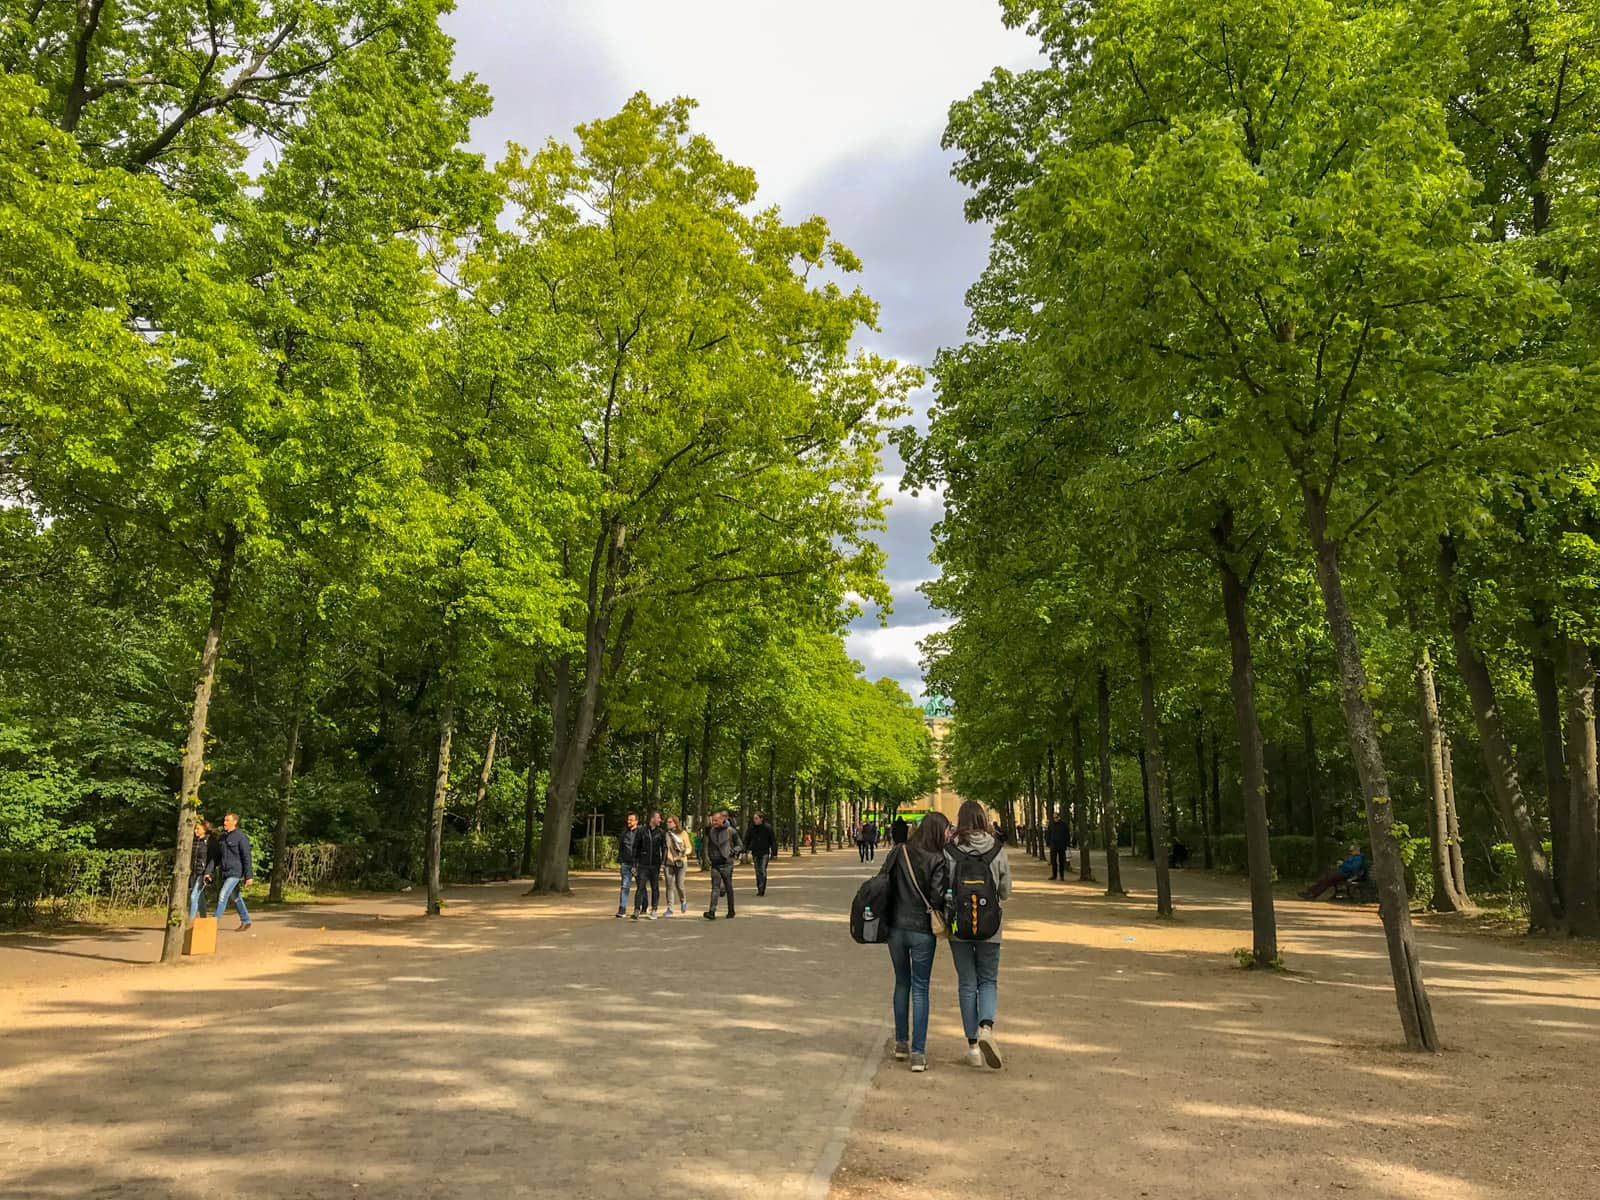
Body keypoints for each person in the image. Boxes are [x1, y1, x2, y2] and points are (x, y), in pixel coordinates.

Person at [882, 812, 950, 1073]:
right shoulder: (937, 859)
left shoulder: (899, 852)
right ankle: (918, 1053)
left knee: (901, 982)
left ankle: (901, 1043)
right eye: (945, 830)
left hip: (896, 928)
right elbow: (936, 898)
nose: (947, 835)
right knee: (920, 988)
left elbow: (883, 881)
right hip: (922, 930)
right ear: (936, 832)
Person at [946, 799, 1011, 1069]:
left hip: (958, 926)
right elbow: (1005, 891)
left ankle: (972, 1046)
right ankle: (986, 1026)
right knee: (988, 980)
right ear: (984, 819)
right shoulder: (997, 849)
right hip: (989, 925)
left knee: (966, 983)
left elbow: (944, 889)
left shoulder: (950, 850)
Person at [214, 812, 254, 931]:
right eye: (224, 820)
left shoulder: (241, 837)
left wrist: (249, 875)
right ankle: (246, 920)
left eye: (227, 820)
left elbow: (246, 857)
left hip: (236, 872)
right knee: (235, 897)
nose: (224, 823)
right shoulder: (222, 838)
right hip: (225, 872)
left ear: (234, 822)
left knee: (223, 895)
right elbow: (216, 857)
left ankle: (213, 922)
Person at [702, 810, 743, 919]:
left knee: (728, 887)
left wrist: (733, 851)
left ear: (722, 820)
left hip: (727, 863)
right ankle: (712, 912)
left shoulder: (731, 831)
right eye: (713, 820)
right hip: (715, 863)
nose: (714, 822)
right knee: (715, 887)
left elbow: (740, 845)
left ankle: (731, 911)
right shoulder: (711, 831)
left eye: (716, 820)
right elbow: (704, 830)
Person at [1300, 844, 1366, 900]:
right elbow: (1346, 866)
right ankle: (1310, 892)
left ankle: (1312, 894)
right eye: (1350, 851)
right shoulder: (1353, 857)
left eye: (1352, 851)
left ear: (1357, 850)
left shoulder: (1358, 858)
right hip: (1341, 872)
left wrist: (1343, 864)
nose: (1350, 852)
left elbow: (1353, 868)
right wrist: (1340, 865)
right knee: (1325, 878)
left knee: (1328, 880)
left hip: (1346, 875)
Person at [633, 812, 666, 920]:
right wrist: (634, 863)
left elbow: (664, 848)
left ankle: (654, 909)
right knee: (640, 887)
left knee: (655, 887)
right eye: (658, 818)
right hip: (643, 864)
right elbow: (635, 847)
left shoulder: (661, 832)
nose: (660, 820)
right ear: (652, 818)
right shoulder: (641, 831)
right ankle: (637, 909)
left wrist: (663, 863)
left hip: (655, 865)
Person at [188, 819, 218, 920]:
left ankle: (190, 921)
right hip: (194, 872)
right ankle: (203, 919)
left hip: (203, 873)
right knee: (200, 898)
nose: (195, 831)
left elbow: (213, 859)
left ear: (204, 829)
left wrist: (208, 873)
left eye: (197, 829)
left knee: (193, 896)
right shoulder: (195, 841)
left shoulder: (210, 842)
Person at [663, 816, 691, 914]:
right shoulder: (666, 834)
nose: (668, 823)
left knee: (679, 885)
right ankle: (670, 908)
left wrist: (682, 855)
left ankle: (683, 901)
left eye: (670, 822)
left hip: (681, 862)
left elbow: (689, 848)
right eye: (667, 822)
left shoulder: (683, 834)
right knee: (669, 886)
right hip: (669, 862)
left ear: (675, 823)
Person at [744, 812, 777, 896]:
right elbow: (747, 839)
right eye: (754, 818)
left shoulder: (767, 828)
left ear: (761, 819)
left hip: (764, 852)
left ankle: (762, 888)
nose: (755, 820)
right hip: (755, 852)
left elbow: (772, 840)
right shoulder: (752, 828)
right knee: (757, 871)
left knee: (762, 870)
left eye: (756, 818)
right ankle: (759, 887)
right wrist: (745, 849)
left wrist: (774, 852)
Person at [616, 812, 642, 918]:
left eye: (631, 820)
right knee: (625, 886)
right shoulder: (624, 834)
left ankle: (641, 907)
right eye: (628, 820)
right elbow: (621, 848)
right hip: (626, 864)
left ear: (636, 821)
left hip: (638, 865)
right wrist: (622, 860)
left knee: (641, 887)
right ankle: (622, 909)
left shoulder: (641, 833)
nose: (629, 822)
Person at [1045, 812, 1071, 880]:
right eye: (1054, 818)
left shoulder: (1064, 825)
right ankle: (1054, 875)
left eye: (1056, 817)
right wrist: (1048, 843)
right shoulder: (1051, 825)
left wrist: (1067, 844)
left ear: (1059, 817)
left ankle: (1062, 876)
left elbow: (1067, 835)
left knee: (1061, 861)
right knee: (1053, 861)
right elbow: (1048, 834)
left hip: (1061, 845)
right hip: (1053, 845)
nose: (1055, 819)